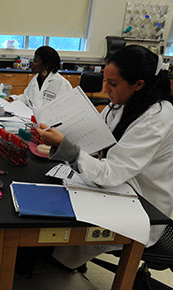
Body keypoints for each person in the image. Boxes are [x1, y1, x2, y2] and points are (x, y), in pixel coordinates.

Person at [36, 45, 173, 270]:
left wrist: (65, 146)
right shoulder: (119, 105)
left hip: (143, 206)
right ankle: (51, 256)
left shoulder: (158, 117)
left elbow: (110, 173)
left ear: (139, 84)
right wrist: (63, 133)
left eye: (113, 83)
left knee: (60, 219)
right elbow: (98, 140)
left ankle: (53, 257)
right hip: (119, 186)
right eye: (105, 80)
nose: (105, 89)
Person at [11, 46, 72, 112]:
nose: (32, 64)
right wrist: (12, 98)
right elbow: (26, 98)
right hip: (32, 119)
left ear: (46, 65)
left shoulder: (62, 84)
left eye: (35, 61)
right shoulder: (36, 79)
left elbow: (67, 110)